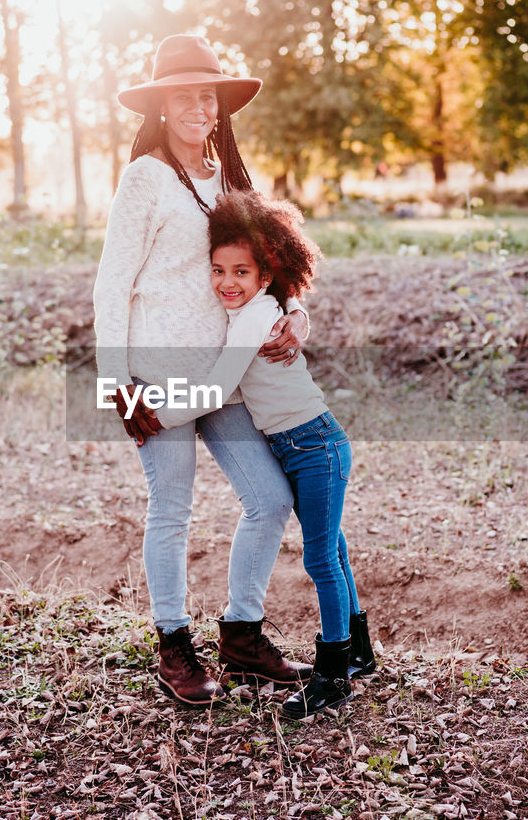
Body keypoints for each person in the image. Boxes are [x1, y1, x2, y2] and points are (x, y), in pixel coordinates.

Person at [93, 34, 313, 706]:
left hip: (222, 374)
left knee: (271, 498)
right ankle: (173, 642)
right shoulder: (145, 178)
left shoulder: (228, 177)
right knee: (173, 507)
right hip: (157, 375)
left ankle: (242, 635)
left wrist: (296, 313)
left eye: (206, 94)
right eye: (182, 94)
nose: (197, 106)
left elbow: (272, 258)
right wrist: (117, 387)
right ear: (161, 106)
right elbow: (110, 286)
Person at [152, 190, 378, 719]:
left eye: (240, 272)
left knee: (322, 558)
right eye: (217, 270)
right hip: (299, 445)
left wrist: (153, 417)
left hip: (314, 446)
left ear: (266, 273)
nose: (226, 282)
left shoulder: (256, 318)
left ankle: (333, 673)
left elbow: (217, 389)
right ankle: (360, 650)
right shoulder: (249, 311)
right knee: (335, 551)